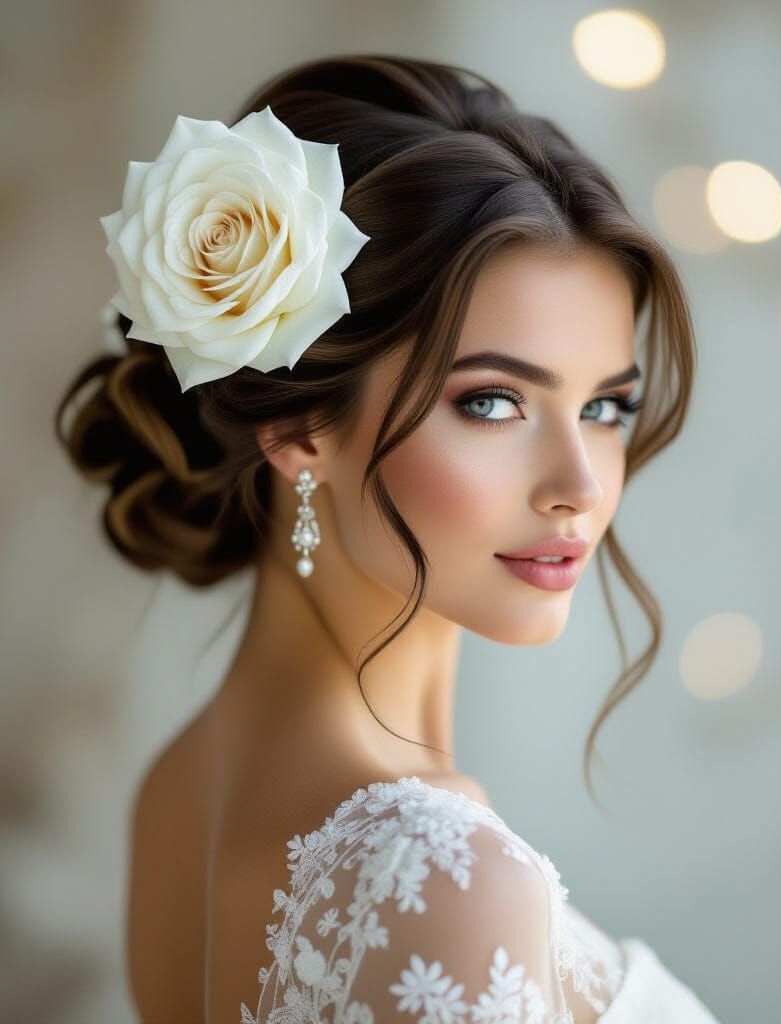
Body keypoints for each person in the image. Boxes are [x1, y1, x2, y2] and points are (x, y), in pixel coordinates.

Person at [56, 53, 720, 1023]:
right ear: (296, 428)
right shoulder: (446, 880)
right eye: (493, 402)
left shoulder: (178, 791)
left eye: (606, 407)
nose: (580, 485)